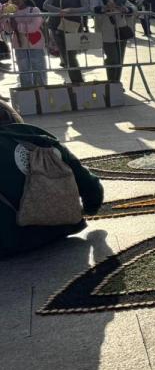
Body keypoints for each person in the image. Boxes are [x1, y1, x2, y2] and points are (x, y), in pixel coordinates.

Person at [0, 100, 104, 258]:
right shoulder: (45, 141)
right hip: (62, 229)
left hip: (9, 243)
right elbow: (91, 185)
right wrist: (90, 208)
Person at [43, 0, 92, 84]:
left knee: (70, 56)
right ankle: (77, 82)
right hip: (55, 26)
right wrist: (60, 11)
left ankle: (78, 82)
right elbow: (46, 5)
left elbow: (86, 8)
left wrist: (70, 10)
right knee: (65, 57)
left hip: (73, 26)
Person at [90, 0, 136, 83]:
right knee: (113, 59)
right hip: (106, 32)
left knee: (120, 59)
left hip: (121, 30)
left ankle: (116, 82)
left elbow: (133, 8)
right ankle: (111, 82)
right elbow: (93, 9)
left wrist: (126, 9)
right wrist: (105, 7)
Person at [1, 0, 46, 87]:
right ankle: (27, 92)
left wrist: (18, 26)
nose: (15, 1)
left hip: (35, 46)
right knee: (24, 71)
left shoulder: (34, 10)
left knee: (38, 70)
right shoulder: (11, 13)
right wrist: (5, 19)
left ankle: (41, 92)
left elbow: (34, 27)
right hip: (19, 46)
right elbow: (8, 29)